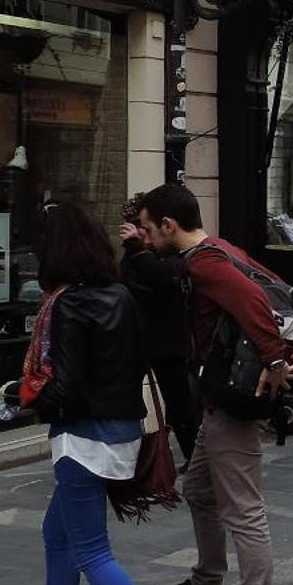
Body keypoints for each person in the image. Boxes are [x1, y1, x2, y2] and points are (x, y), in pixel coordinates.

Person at [8, 200, 188, 585]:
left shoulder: (65, 304)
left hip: (82, 437)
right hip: (122, 429)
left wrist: (25, 398)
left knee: (92, 551)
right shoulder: (122, 296)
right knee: (56, 534)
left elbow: (66, 386)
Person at [137, 183, 293, 585]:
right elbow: (278, 289)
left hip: (235, 396)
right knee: (201, 489)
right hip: (220, 396)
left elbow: (253, 300)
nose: (146, 240)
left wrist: (275, 361)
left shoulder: (204, 263)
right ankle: (207, 582)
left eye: (148, 230)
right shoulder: (218, 248)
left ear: (169, 225)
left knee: (244, 510)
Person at [118, 196, 199, 462]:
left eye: (142, 226)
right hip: (139, 339)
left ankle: (194, 457)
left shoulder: (169, 252)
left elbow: (165, 278)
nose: (139, 231)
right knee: (128, 397)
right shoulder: (135, 255)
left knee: (180, 405)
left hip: (169, 342)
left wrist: (136, 249)